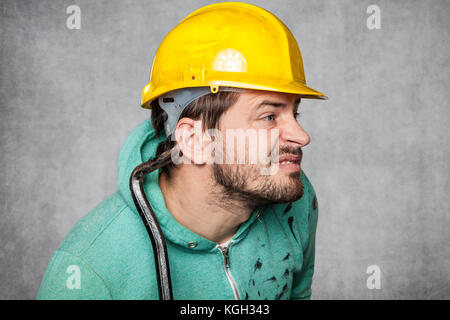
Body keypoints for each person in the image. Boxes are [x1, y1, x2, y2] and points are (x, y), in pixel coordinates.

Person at [37, 2, 326, 300]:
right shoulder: (91, 272)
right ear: (194, 140)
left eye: (296, 114)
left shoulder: (294, 201)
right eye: (269, 117)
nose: (301, 137)